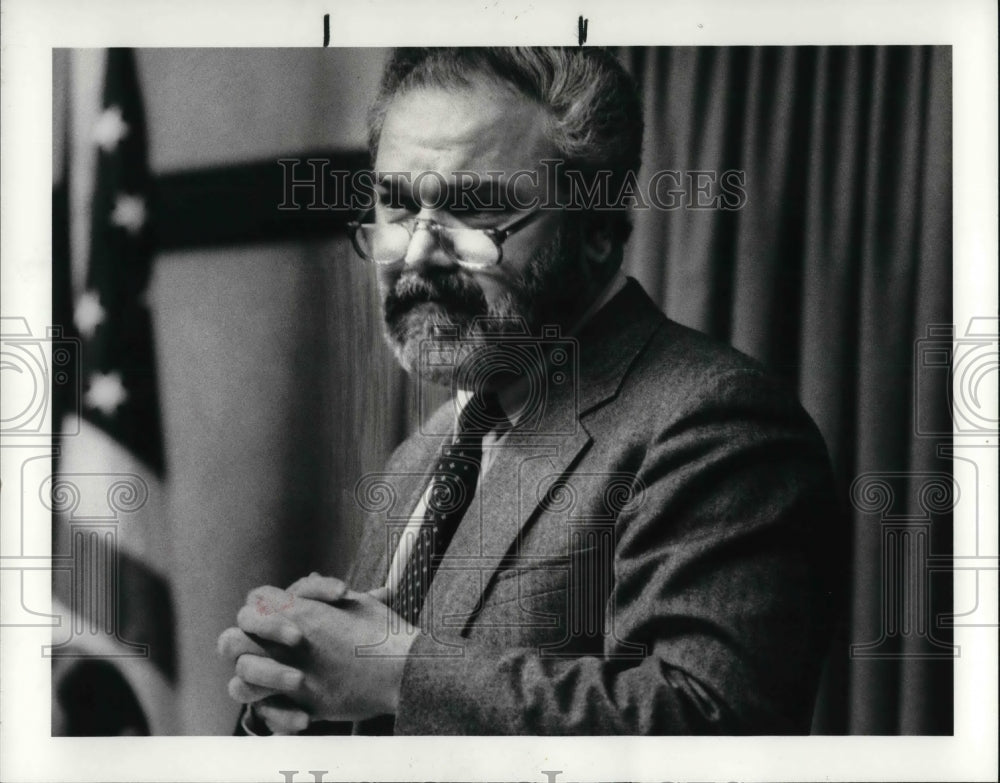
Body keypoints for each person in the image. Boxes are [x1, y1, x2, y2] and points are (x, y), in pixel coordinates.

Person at [217, 47, 844, 735]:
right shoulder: (419, 458)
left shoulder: (715, 424)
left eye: (476, 210)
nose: (419, 254)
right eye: (396, 205)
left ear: (598, 231)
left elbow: (705, 725)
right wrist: (295, 691)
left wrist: (392, 669)